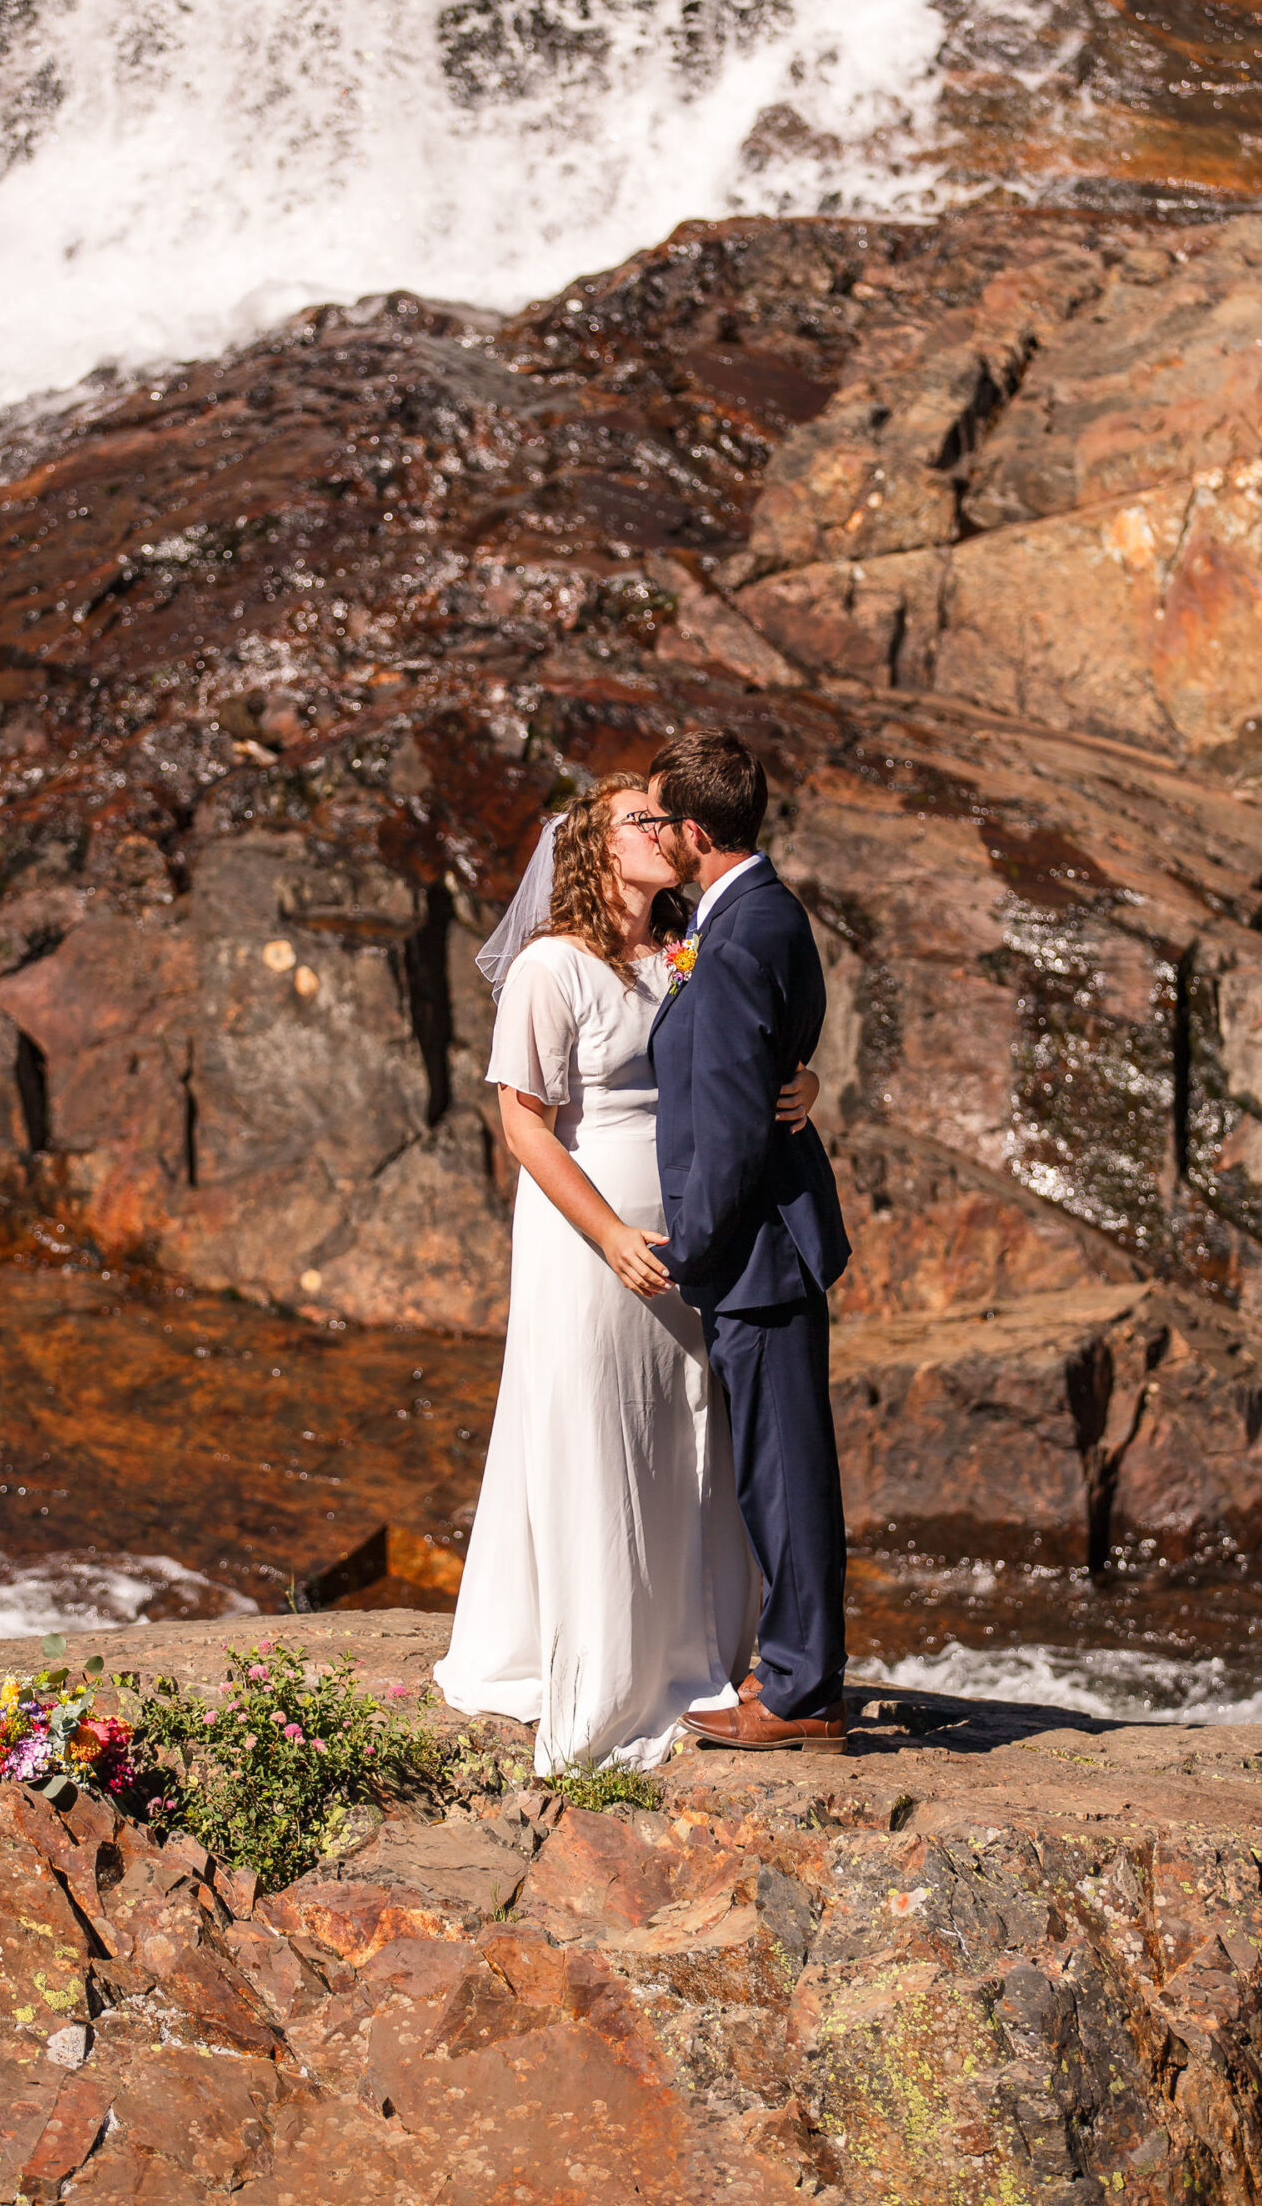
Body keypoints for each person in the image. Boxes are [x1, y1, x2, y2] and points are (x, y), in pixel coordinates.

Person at [432, 775, 819, 1772]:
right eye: (640, 819)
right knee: (599, 1430)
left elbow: (739, 1054)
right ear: (597, 849)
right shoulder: (550, 967)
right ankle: (602, 1664)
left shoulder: (689, 949)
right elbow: (523, 1120)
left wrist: (801, 1082)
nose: (663, 829)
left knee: (689, 1438)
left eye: (663, 816)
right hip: (591, 1239)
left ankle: (693, 1658)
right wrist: (606, 1231)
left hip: (696, 1232)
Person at [645, 727, 852, 1754]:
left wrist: (691, 1247)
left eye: (658, 818)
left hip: (755, 1249)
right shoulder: (759, 912)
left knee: (783, 1472)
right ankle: (797, 1665)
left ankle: (803, 1686)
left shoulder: (731, 940)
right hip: (774, 1240)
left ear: (692, 829)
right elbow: (785, 1046)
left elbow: (730, 1126)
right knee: (783, 1465)